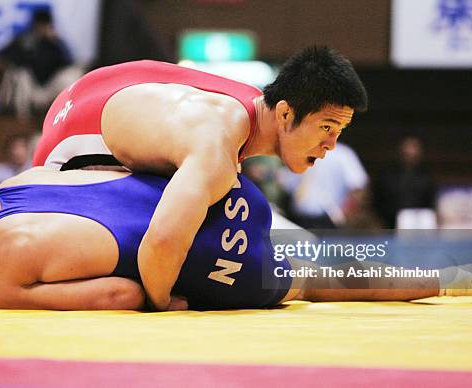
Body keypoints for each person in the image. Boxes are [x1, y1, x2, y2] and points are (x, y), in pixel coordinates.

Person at [32, 46, 368, 310]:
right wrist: (161, 302)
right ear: (284, 112)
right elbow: (162, 241)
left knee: (295, 253)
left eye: (339, 131)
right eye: (326, 127)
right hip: (63, 154)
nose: (331, 145)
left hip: (93, 90)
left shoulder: (247, 102)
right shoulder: (215, 147)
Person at [0, 168, 472, 311]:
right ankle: (463, 265)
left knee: (318, 284)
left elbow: (119, 294)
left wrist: (6, 292)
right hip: (219, 194)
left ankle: (464, 278)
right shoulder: (17, 183)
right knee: (316, 254)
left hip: (203, 257)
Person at [0, 8, 84, 119]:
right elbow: (1, 55)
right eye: (40, 25)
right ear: (35, 25)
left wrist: (55, 43)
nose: (42, 28)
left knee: (71, 76)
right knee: (21, 74)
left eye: (45, 25)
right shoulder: (24, 39)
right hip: (30, 87)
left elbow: (69, 62)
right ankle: (22, 119)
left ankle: (67, 116)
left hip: (49, 87)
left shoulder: (55, 42)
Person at [278, 142, 370, 229]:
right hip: (300, 219)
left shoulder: (343, 154)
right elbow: (286, 182)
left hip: (330, 219)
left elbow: (358, 188)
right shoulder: (301, 152)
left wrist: (345, 213)